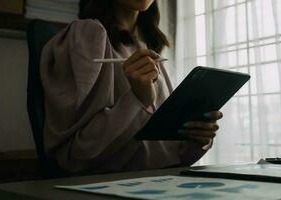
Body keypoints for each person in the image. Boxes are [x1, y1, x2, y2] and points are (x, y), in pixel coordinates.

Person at [40, 0, 222, 174]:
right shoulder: (89, 33)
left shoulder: (146, 46)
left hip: (162, 182)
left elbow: (170, 155)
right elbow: (76, 155)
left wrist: (196, 138)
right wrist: (137, 98)